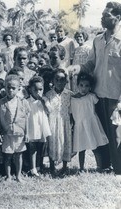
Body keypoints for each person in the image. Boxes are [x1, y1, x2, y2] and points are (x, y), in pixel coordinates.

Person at [75, 2, 121, 174]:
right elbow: (91, 63)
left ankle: (119, 170)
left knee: (116, 134)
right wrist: (76, 68)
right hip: (97, 94)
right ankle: (104, 165)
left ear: (118, 17)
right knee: (100, 133)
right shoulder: (97, 40)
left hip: (115, 97)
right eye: (102, 14)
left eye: (107, 14)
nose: (102, 17)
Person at [71, 72, 109, 172]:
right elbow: (72, 113)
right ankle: (81, 168)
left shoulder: (91, 97)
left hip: (91, 124)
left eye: (87, 86)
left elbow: (98, 106)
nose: (84, 88)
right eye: (81, 85)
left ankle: (99, 167)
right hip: (79, 126)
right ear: (77, 85)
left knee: (95, 147)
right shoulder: (73, 99)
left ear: (90, 87)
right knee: (81, 148)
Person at [0, 75, 30, 182]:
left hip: (19, 133)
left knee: (19, 155)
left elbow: (27, 119)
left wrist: (27, 133)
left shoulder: (23, 102)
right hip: (7, 133)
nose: (10, 90)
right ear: (5, 87)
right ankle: (8, 176)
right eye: (8, 87)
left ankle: (18, 175)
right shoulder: (1, 103)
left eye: (13, 88)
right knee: (8, 156)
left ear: (18, 88)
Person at [45, 69, 73, 174]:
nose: (59, 82)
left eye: (62, 79)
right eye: (57, 79)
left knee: (65, 141)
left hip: (65, 121)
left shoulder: (69, 94)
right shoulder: (48, 94)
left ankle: (65, 166)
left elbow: (72, 110)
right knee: (53, 142)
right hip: (52, 122)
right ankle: (52, 166)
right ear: (53, 80)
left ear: (66, 81)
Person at [26, 76, 52, 176]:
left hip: (41, 126)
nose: (38, 92)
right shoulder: (27, 101)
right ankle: (32, 168)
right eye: (35, 89)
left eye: (40, 89)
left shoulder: (44, 99)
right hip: (32, 126)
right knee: (32, 148)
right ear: (30, 89)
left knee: (41, 146)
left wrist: (43, 101)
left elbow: (49, 111)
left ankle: (38, 165)